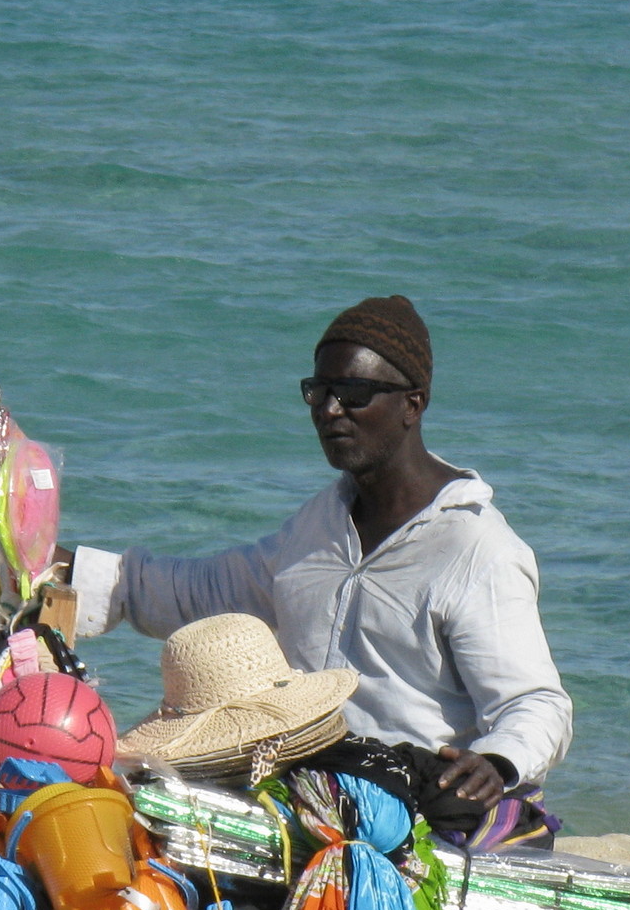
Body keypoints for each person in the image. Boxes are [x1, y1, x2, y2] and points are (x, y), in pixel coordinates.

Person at [67, 295, 572, 811]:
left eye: (353, 393)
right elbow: (205, 590)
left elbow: (534, 704)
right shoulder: (317, 525)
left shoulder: (475, 550)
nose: (331, 411)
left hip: (415, 802)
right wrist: (72, 572)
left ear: (413, 403)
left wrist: (497, 762)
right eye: (319, 391)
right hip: (307, 790)